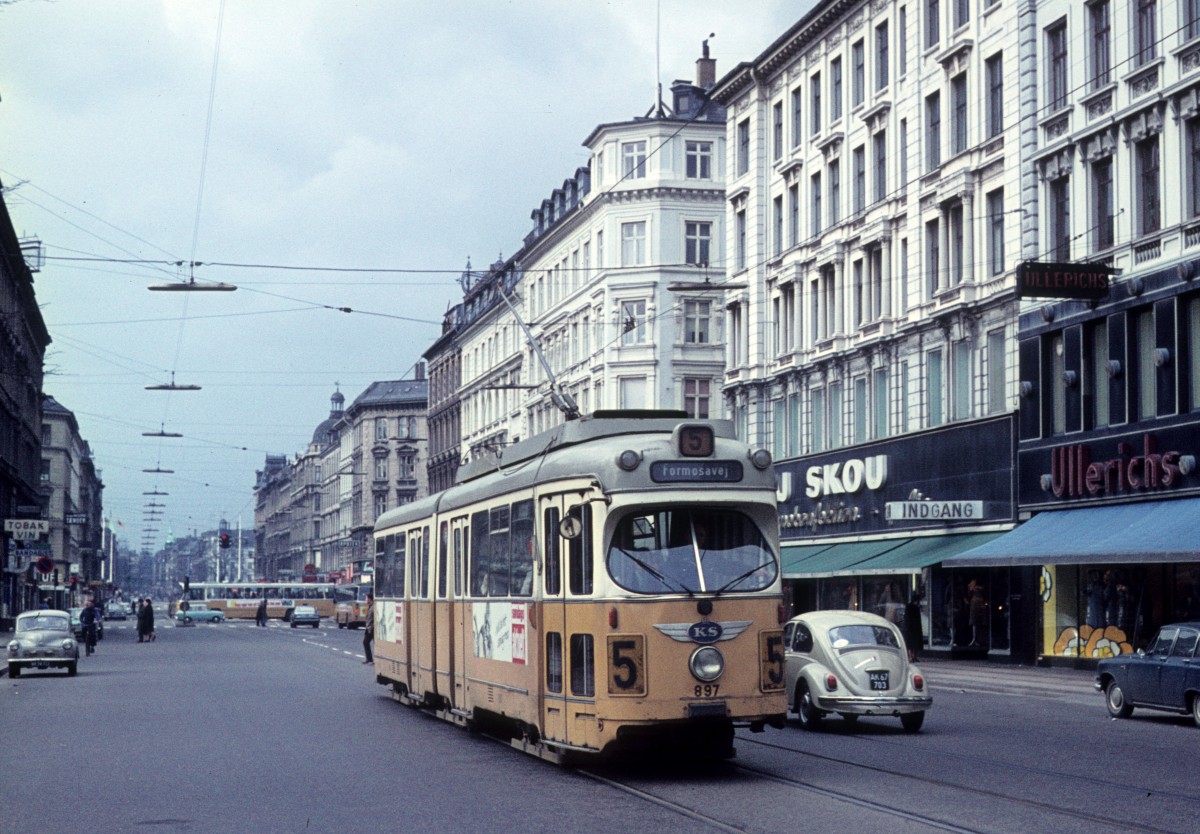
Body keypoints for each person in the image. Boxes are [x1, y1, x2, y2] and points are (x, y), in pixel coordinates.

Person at [904, 593, 923, 662]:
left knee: (910, 644)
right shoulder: (915, 608)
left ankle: (912, 656)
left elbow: (906, 618)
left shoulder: (909, 607)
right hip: (914, 628)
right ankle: (913, 656)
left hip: (910, 628)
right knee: (914, 643)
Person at [362, 593, 375, 663]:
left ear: (370, 599)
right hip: (369, 628)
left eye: (366, 598)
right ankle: (369, 658)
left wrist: (371, 627)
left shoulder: (373, 607)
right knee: (365, 642)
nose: (365, 600)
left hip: (372, 629)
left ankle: (371, 659)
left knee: (368, 643)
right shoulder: (370, 606)